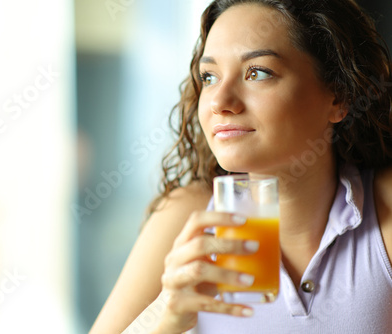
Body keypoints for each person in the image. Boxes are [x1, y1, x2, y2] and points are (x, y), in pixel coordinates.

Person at [89, 0, 392, 333]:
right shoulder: (185, 218)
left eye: (257, 72)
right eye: (209, 77)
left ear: (338, 96)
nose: (219, 101)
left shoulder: (384, 210)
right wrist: (167, 316)